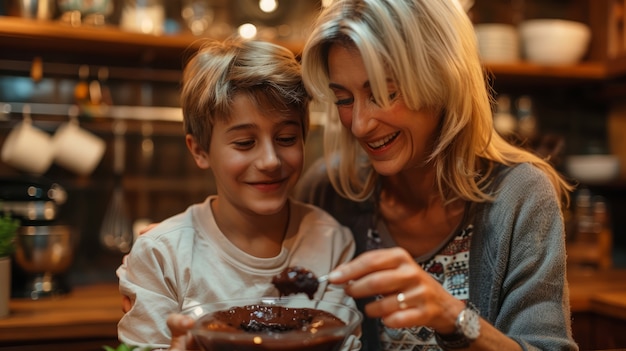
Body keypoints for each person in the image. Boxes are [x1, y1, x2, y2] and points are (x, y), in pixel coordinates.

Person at [290, 0, 578, 350]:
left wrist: (453, 317)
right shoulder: (328, 191)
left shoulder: (521, 196)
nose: (361, 124)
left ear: (442, 78)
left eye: (384, 93)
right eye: (344, 99)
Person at [116, 37, 359, 350]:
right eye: (245, 143)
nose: (270, 161)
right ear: (200, 150)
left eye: (286, 138)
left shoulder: (332, 244)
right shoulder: (162, 258)